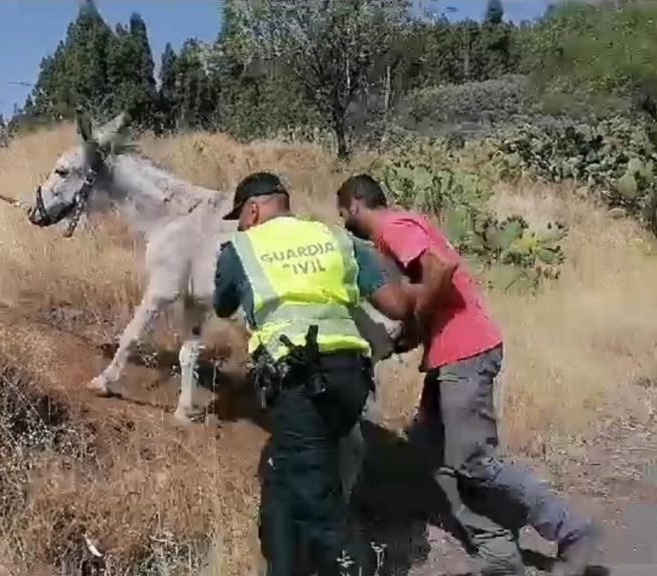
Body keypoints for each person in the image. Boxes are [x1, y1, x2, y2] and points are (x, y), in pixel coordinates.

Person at [336, 174, 600, 576]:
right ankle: (498, 552)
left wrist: (416, 317)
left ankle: (572, 531)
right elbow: (434, 285)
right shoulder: (405, 227)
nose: (340, 218)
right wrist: (413, 335)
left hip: (466, 351)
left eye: (341, 210)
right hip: (450, 354)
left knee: (475, 461)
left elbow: (441, 269)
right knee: (434, 455)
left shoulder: (392, 228)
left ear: (355, 204)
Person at [213, 172, 412, 576]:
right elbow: (394, 305)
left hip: (302, 381)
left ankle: (352, 567)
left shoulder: (241, 247)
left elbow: (221, 304)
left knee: (319, 503)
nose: (241, 224)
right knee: (283, 485)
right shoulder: (337, 239)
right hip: (351, 379)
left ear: (252, 210)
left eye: (241, 216)